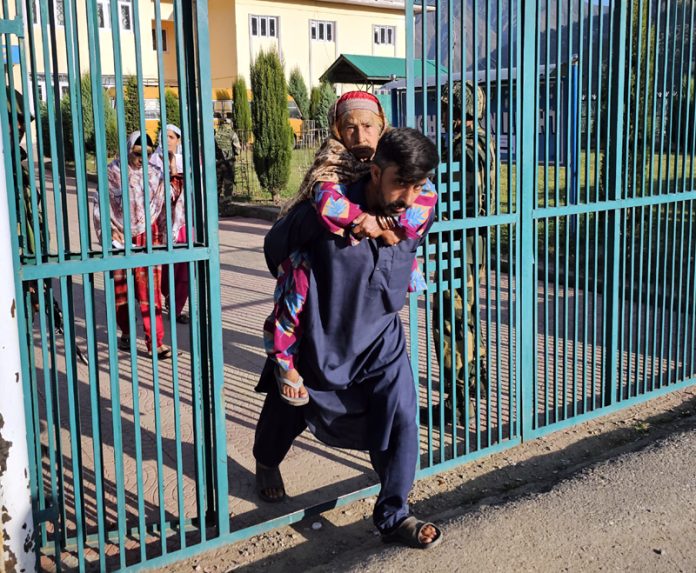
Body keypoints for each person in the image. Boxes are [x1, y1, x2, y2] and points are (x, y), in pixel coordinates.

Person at [253, 128, 443, 549]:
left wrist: (384, 224)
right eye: (400, 184)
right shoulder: (326, 206)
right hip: (322, 335)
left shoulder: (416, 205)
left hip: (381, 338)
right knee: (289, 411)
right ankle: (265, 461)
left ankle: (395, 514)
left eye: (418, 186)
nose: (409, 197)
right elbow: (274, 249)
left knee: (402, 418)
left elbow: (418, 212)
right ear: (375, 172)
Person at [262, 91, 436, 406]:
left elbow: (426, 200)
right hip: (312, 253)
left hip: (372, 300)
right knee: (295, 295)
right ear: (337, 130)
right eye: (350, 127)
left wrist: (386, 224)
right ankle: (284, 360)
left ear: (382, 125)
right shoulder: (333, 158)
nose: (360, 136)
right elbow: (328, 205)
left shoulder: (396, 156)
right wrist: (368, 219)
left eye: (368, 126)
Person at [428, 81, 496, 425]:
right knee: (466, 313)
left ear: (457, 113)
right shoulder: (485, 141)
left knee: (449, 319)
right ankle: (475, 380)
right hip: (476, 246)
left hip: (458, 247)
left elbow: (455, 203)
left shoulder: (460, 149)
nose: (439, 116)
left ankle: (457, 403)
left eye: (444, 109)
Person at [93, 131, 171, 358]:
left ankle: (155, 341)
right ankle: (126, 332)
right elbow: (100, 204)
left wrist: (166, 236)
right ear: (128, 149)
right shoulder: (112, 173)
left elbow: (163, 205)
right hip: (119, 235)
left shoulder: (155, 173)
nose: (141, 159)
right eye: (137, 154)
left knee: (150, 290)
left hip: (148, 235)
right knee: (122, 289)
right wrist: (109, 232)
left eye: (147, 154)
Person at [153, 124, 190, 324]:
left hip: (184, 219)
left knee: (184, 266)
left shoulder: (189, 162)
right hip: (161, 219)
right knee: (164, 264)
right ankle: (163, 299)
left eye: (171, 137)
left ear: (178, 140)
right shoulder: (152, 162)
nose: (167, 140)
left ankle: (176, 308)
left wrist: (175, 167)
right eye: (163, 136)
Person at [215, 120, 241, 202]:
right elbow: (237, 148)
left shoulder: (216, 134)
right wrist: (236, 153)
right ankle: (227, 202)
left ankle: (216, 201)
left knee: (217, 182)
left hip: (217, 161)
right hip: (229, 162)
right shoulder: (232, 133)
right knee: (228, 182)